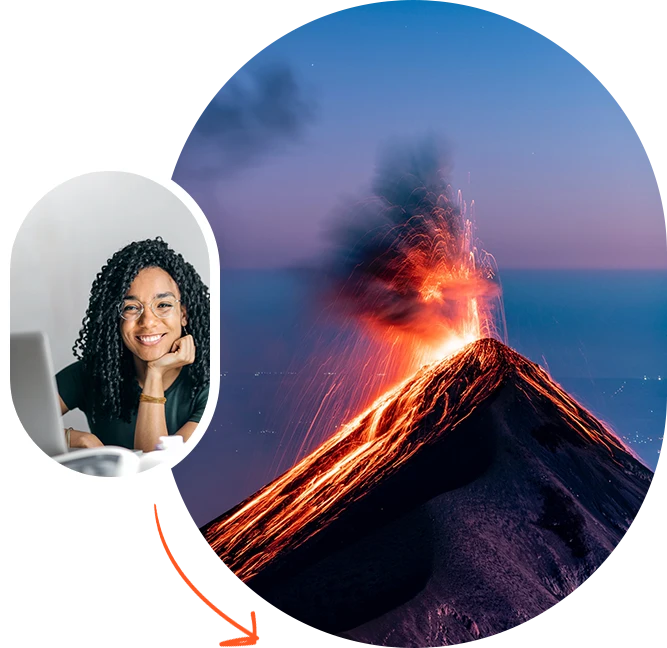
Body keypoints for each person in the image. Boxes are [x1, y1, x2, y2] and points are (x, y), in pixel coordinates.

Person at [55, 237, 210, 452]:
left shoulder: (211, 387)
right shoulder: (93, 372)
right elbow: (19, 422)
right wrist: (76, 438)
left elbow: (155, 464)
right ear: (116, 318)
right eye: (131, 308)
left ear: (183, 314)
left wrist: (154, 373)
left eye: (163, 305)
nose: (148, 322)